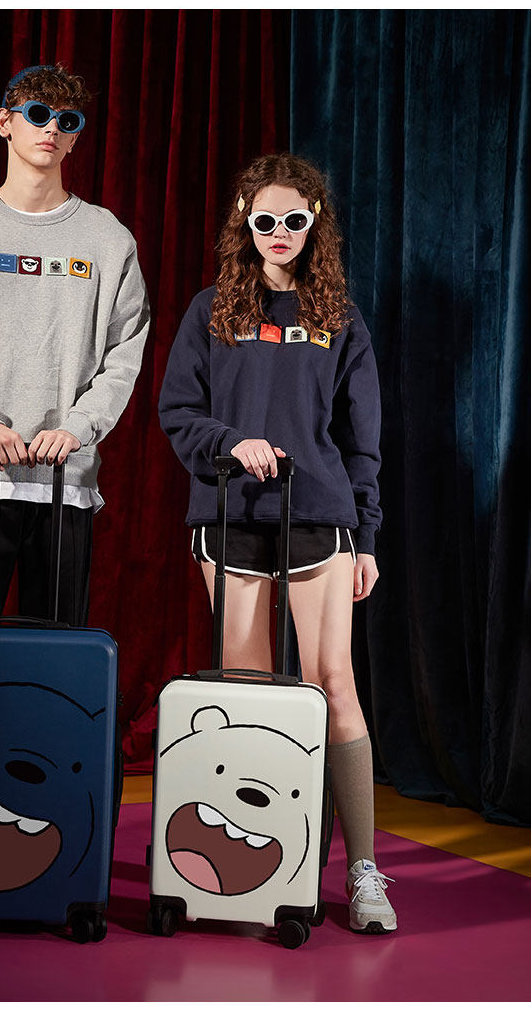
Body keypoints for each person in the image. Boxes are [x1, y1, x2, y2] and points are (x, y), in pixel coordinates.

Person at [158, 152, 396, 934]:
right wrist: (232, 441)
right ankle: (262, 865)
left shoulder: (340, 315)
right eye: (266, 219)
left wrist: (366, 535)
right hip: (231, 515)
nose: (280, 232)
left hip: (319, 515)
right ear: (245, 221)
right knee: (248, 687)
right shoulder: (212, 309)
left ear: (314, 222)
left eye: (295, 219)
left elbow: (362, 440)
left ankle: (361, 872)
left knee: (331, 683)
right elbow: (177, 411)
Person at [0, 63, 150, 626]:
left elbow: (125, 354)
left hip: (65, 478)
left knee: (58, 660)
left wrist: (79, 427)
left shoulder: (108, 239)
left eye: (67, 120)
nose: (51, 129)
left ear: (76, 137)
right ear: (5, 123)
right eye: (38, 114)